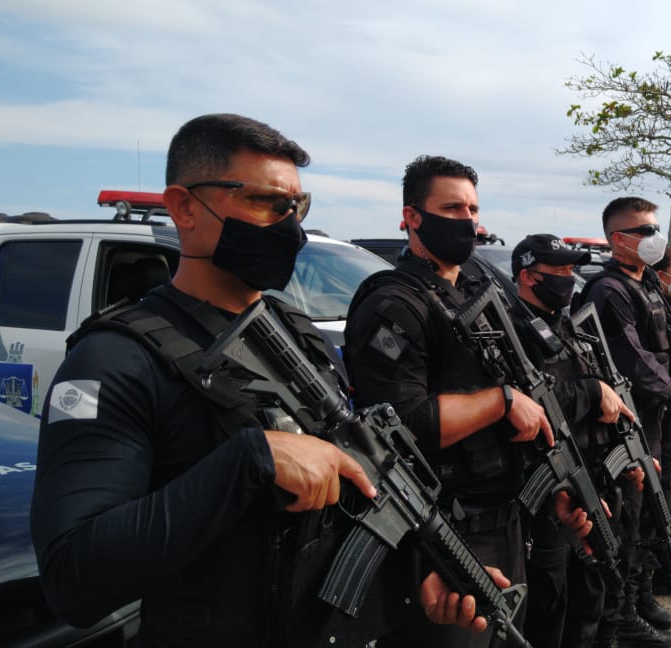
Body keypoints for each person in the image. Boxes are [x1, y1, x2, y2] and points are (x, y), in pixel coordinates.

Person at [31, 115, 499, 647]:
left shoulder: (299, 336)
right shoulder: (116, 359)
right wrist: (251, 460)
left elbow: (343, 505)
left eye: (297, 207)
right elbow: (73, 579)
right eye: (266, 203)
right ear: (184, 207)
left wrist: (418, 572)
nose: (289, 228)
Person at [344, 155, 571, 648]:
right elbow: (399, 424)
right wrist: (501, 401)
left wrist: (556, 481)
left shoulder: (477, 287)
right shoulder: (394, 303)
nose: (467, 220)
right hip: (442, 529)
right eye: (452, 208)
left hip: (506, 516)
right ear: (412, 217)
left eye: (473, 208)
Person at [579, 196, 671, 647]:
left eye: (657, 228)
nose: (656, 237)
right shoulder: (609, 290)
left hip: (656, 415)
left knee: (652, 512)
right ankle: (616, 621)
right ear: (618, 239)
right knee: (628, 518)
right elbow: (632, 360)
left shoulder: (649, 283)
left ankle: (637, 599)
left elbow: (669, 345)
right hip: (626, 421)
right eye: (646, 230)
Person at [506, 234, 637, 648]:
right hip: (550, 484)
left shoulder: (569, 324)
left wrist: (628, 449)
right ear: (528, 275)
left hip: (593, 473)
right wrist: (592, 393)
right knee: (551, 603)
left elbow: (601, 390)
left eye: (571, 269)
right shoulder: (513, 329)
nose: (569, 278)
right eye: (560, 270)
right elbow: (529, 401)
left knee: (592, 591)